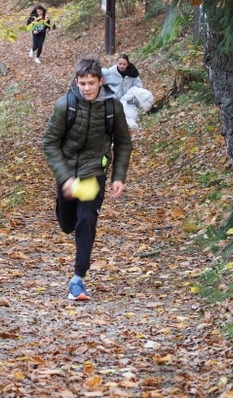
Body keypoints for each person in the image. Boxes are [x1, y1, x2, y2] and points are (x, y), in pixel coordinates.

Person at [43, 55, 133, 301]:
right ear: (76, 82)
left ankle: (78, 280)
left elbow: (123, 143)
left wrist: (118, 176)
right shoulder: (65, 105)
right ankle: (64, 204)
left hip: (94, 174)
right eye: (82, 83)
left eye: (91, 83)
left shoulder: (112, 108)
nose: (87, 88)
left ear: (100, 81)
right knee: (67, 224)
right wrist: (65, 179)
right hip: (68, 173)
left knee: (86, 220)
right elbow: (49, 143)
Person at [103, 54, 154, 129]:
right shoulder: (111, 72)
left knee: (130, 117)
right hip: (114, 101)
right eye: (120, 64)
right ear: (117, 63)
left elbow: (138, 87)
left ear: (128, 64)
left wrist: (134, 99)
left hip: (127, 101)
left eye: (124, 64)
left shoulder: (133, 74)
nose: (122, 66)